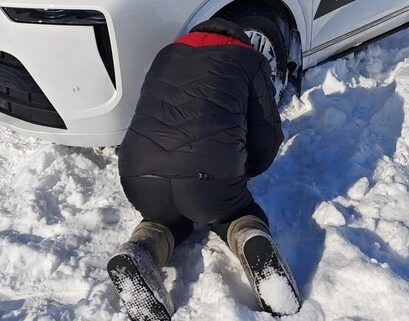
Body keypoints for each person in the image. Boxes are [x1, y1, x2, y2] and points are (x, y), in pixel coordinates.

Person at [107, 18, 300, 321]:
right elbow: (266, 138)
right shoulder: (251, 59)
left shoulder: (167, 53)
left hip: (137, 176)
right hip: (210, 179)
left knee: (162, 219)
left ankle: (141, 251)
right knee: (234, 213)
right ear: (239, 36)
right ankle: (249, 237)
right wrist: (243, 171)